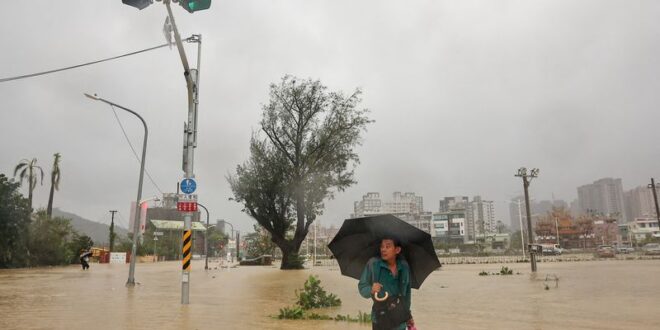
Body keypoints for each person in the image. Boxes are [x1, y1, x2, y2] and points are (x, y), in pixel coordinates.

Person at [358, 237, 415, 330]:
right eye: (382, 246)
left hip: (399, 318)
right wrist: (371, 290)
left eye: (387, 246)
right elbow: (362, 286)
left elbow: (407, 294)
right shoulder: (373, 264)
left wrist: (408, 315)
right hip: (380, 318)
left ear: (397, 250)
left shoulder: (404, 266)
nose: (383, 249)